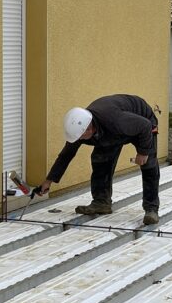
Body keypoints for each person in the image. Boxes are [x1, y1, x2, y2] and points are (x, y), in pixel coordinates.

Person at [38, 94, 160, 225]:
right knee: (100, 160)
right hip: (112, 131)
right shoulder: (79, 129)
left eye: (81, 137)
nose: (79, 140)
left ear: (89, 128)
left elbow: (145, 126)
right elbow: (65, 156)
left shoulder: (115, 120)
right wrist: (48, 181)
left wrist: (143, 152)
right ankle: (101, 202)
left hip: (142, 123)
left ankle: (151, 209)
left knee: (149, 165)